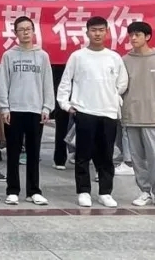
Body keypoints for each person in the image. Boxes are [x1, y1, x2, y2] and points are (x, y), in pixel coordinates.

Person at [56, 16, 128, 208]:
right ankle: (83, 191)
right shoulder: (78, 56)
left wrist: (111, 96)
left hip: (108, 112)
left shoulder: (114, 57)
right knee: (83, 154)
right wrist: (65, 104)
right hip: (84, 110)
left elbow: (122, 83)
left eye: (101, 30)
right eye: (94, 30)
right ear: (87, 32)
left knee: (106, 155)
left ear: (107, 32)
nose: (97, 34)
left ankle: (105, 192)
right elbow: (66, 82)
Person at [0, 16, 53, 206]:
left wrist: (47, 107)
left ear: (33, 31)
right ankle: (12, 190)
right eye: (21, 29)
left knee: (33, 152)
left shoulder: (42, 56)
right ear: (15, 33)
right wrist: (4, 107)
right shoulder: (9, 56)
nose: (26, 32)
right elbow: (3, 82)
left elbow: (47, 83)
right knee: (13, 152)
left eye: (28, 28)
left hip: (35, 109)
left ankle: (34, 191)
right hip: (14, 110)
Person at [121, 21, 155, 210]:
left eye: (137, 35)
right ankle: (144, 191)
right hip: (131, 117)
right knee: (136, 159)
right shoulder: (125, 60)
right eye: (131, 35)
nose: (133, 38)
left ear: (148, 37)